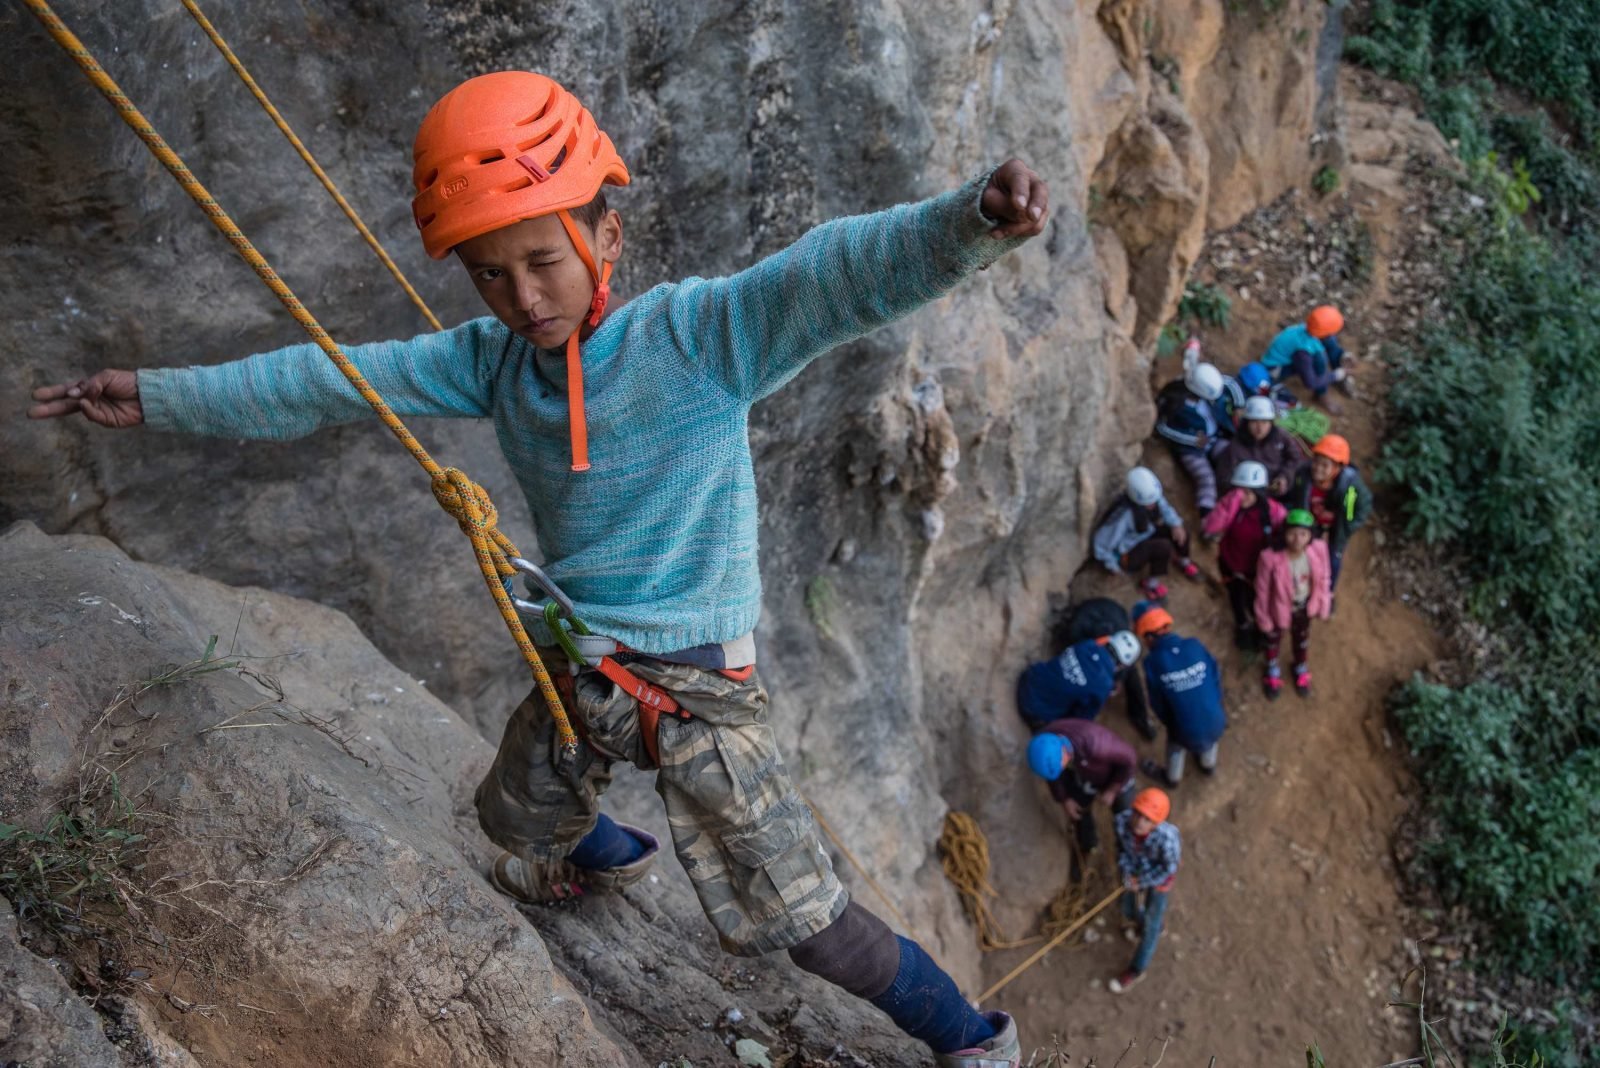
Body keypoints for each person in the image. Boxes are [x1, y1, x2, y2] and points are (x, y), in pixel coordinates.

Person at [26, 71, 1047, 1066]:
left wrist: (968, 224)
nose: (521, 298)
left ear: (607, 236)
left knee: (808, 924)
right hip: (583, 669)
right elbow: (327, 382)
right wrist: (158, 396)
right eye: (488, 272)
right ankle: (608, 857)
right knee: (512, 816)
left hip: (700, 699)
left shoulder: (700, 338)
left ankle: (971, 1037)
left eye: (540, 261)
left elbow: (831, 275)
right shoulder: (491, 360)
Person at [1134, 606, 1226, 788]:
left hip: (1184, 729)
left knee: (1175, 745)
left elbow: (1157, 703)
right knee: (1209, 734)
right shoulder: (1194, 645)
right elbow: (1216, 677)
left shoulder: (1152, 662)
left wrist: (1172, 723)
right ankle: (1208, 766)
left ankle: (1172, 778)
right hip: (1216, 719)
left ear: (1149, 637)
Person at [1201, 461, 1287, 649]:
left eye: (1248, 492)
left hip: (1258, 568)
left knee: (1258, 600)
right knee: (1237, 599)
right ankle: (1243, 628)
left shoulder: (1272, 511)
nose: (1243, 496)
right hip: (1232, 565)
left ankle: (1262, 630)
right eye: (1240, 490)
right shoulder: (1231, 507)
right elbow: (1211, 526)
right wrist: (1231, 503)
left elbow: (1286, 532)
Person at [1025, 721, 1137, 856]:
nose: (1060, 771)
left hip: (1116, 777)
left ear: (1065, 755)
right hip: (1085, 774)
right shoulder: (1046, 743)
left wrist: (1113, 790)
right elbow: (1053, 775)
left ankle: (1128, 855)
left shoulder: (1096, 744)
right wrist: (1064, 799)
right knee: (1079, 810)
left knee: (1129, 819)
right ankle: (1088, 847)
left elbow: (1130, 759)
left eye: (1061, 767)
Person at [1254, 509, 1334, 698]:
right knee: (1272, 639)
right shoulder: (1270, 558)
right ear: (1284, 534)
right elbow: (1263, 590)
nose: (1297, 539)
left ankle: (1300, 665)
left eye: (1303, 534)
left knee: (1302, 638)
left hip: (1304, 607)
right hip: (1279, 609)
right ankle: (1272, 668)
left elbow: (1324, 578)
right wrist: (1263, 618)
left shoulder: (1318, 550)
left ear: (1310, 535)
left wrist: (1324, 604)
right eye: (1292, 533)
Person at [1107, 787, 1180, 994]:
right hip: (1133, 871)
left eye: (1147, 819)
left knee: (1151, 926)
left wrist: (1142, 881)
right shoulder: (1121, 822)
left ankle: (1137, 969)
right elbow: (1121, 849)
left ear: (1156, 823)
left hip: (1158, 880)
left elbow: (1168, 868)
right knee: (1127, 908)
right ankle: (1141, 922)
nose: (1140, 822)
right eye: (1138, 814)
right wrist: (1128, 874)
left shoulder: (1168, 839)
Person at [1091, 467, 1199, 603]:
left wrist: (1176, 525)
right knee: (1162, 547)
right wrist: (1112, 565)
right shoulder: (1124, 515)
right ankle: (1150, 584)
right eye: (1149, 503)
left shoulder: (1152, 496)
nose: (1153, 505)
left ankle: (1183, 560)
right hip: (1127, 554)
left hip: (1145, 534)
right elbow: (1101, 542)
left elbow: (1165, 509)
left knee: (1180, 532)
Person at [1056, 597, 1158, 741]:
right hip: (1089, 618)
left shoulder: (1121, 633)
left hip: (1107, 611)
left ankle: (1140, 717)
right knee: (1083, 679)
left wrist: (1119, 680)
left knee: (1131, 674)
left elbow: (1125, 663)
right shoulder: (1077, 633)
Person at [1287, 433, 1372, 596]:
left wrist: (1347, 527)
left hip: (1337, 526)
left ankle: (1327, 593)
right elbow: (1295, 495)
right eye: (1316, 462)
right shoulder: (1304, 476)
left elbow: (1360, 508)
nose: (1318, 468)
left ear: (1337, 468)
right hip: (1311, 523)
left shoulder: (1350, 488)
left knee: (1333, 557)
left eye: (1325, 465)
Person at [1015, 631, 1141, 728]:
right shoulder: (1103, 685)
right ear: (1123, 665)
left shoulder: (1087, 645)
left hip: (1027, 680)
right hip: (1035, 711)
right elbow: (1080, 721)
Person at [1155, 361, 1233, 515]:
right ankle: (1207, 516)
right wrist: (1191, 440)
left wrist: (1239, 405)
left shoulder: (1210, 389)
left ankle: (1232, 489)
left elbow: (1230, 383)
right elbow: (1162, 427)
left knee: (1231, 454)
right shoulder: (1176, 403)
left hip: (1214, 439)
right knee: (1206, 478)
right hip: (1190, 450)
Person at [1261, 305, 1351, 413]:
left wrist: (1343, 355)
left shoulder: (1311, 328)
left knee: (1330, 341)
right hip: (1275, 369)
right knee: (1320, 362)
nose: (1334, 334)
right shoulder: (1302, 353)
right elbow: (1310, 383)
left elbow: (1329, 339)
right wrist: (1335, 375)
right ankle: (1321, 394)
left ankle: (1340, 364)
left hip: (1293, 353)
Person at [1214, 396, 1299, 497]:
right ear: (1246, 423)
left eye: (1264, 422)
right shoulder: (1235, 447)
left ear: (1271, 423)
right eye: (1254, 422)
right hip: (1250, 498)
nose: (1260, 427)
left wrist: (1284, 477)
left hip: (1279, 489)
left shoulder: (1280, 437)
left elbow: (1295, 457)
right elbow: (1224, 479)